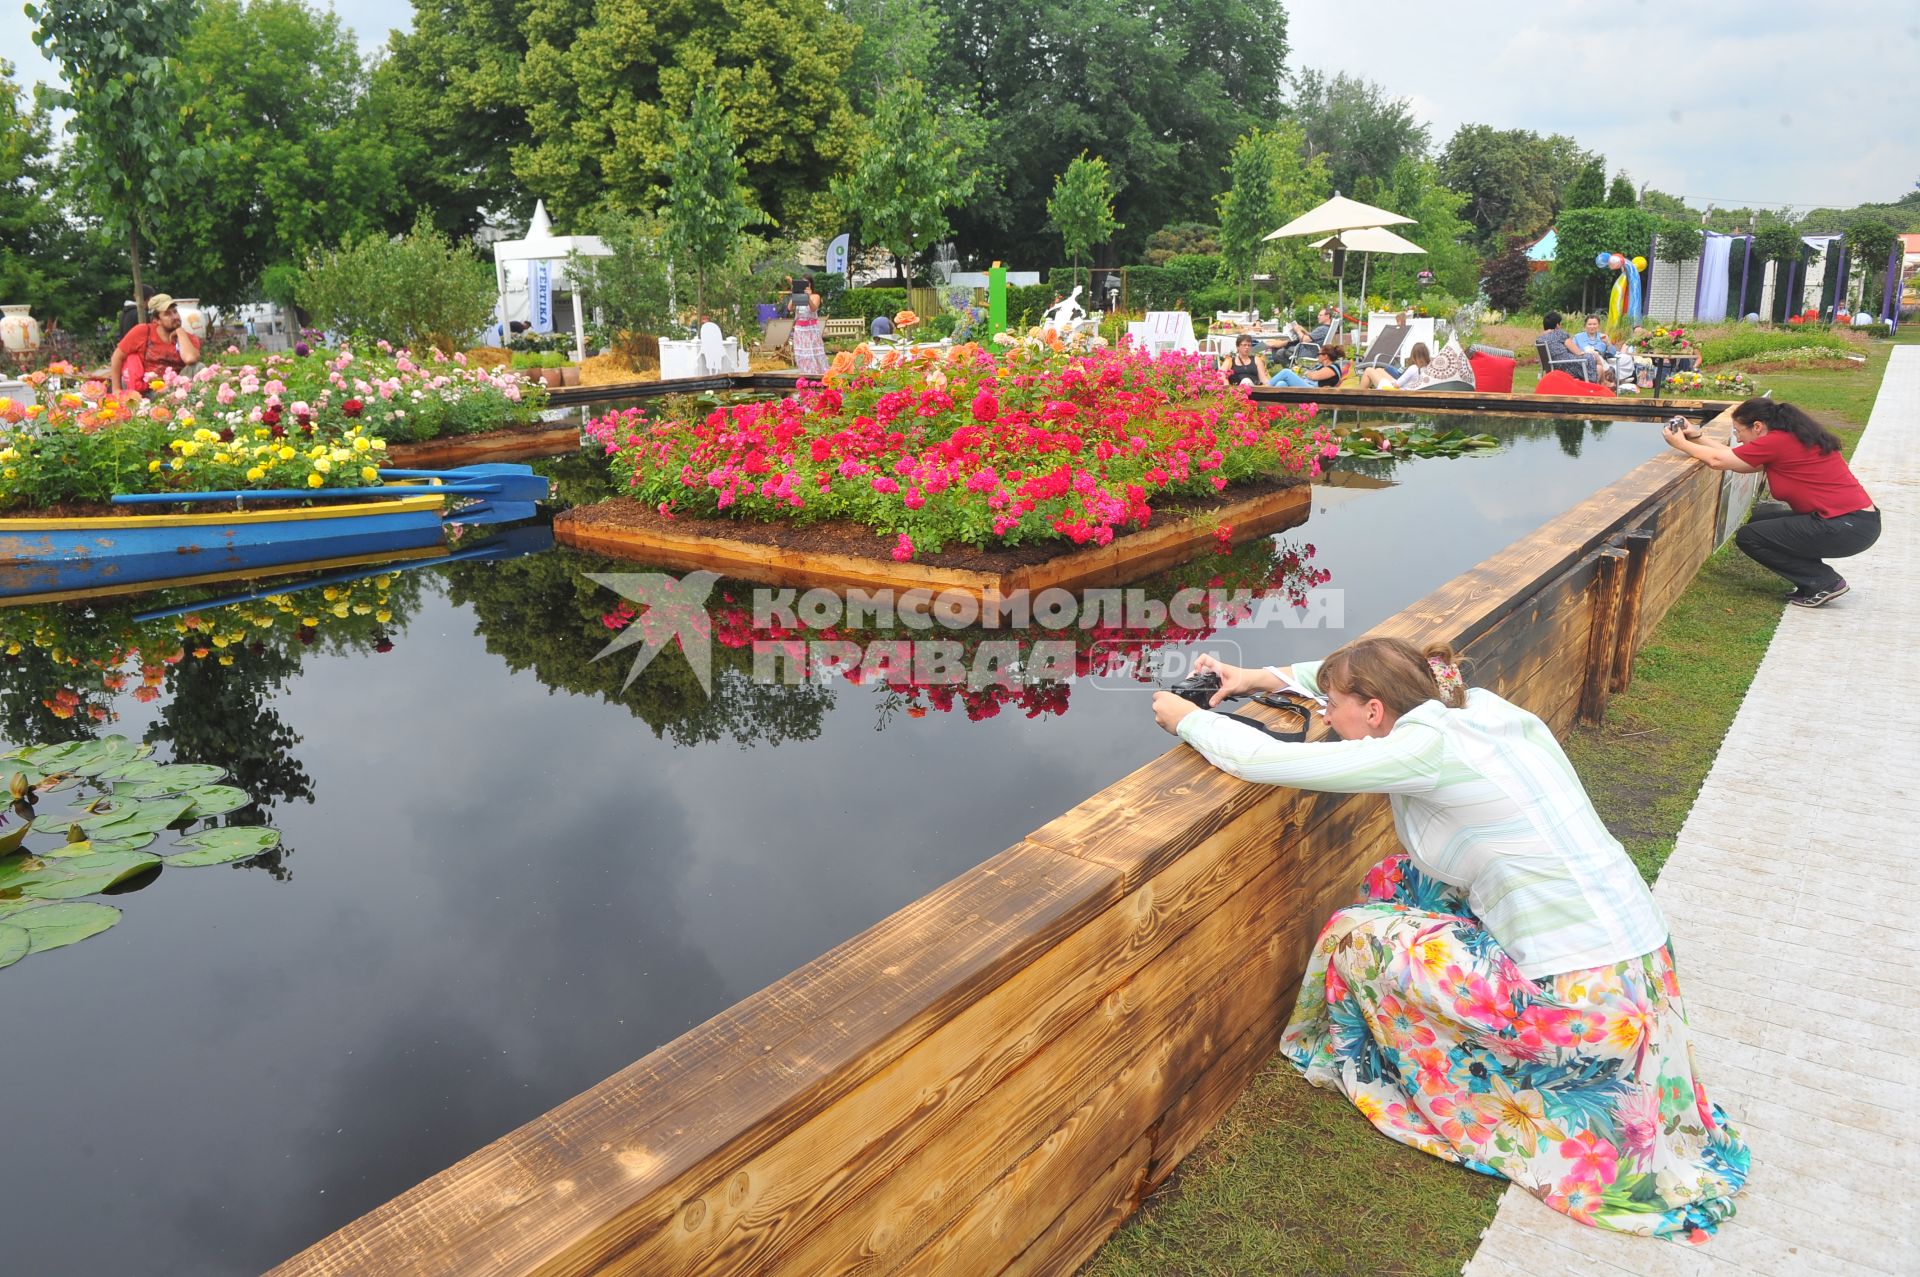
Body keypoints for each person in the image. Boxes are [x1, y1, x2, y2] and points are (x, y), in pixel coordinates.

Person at [1150, 638, 1750, 1241]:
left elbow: (1274, 763)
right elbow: (1363, 676)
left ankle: (1401, 1060)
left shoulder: (1422, 749)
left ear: (1376, 711)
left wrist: (1191, 719)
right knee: (1400, 879)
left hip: (1576, 997)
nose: (1326, 716)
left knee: (1355, 936)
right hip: (1638, 963)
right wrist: (1257, 676)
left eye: (1332, 706)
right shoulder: (1477, 708)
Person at [1663, 398, 1878, 607]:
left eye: (1739, 431)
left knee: (1751, 537)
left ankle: (1825, 581)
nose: (1738, 438)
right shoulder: (1788, 438)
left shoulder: (1777, 441)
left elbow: (1717, 460)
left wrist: (1680, 444)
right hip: (1854, 523)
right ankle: (1812, 582)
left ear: (1757, 426)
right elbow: (1735, 459)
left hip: (1847, 526)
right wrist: (1697, 437)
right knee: (1760, 521)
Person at [108, 293, 199, 393]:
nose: (174, 317)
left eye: (175, 312)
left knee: (198, 367)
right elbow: (117, 356)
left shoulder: (188, 337)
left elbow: (190, 359)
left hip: (178, 389)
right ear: (156, 320)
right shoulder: (142, 331)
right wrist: (116, 389)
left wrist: (180, 332)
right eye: (167, 314)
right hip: (150, 389)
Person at [1538, 311, 1595, 382]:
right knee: (1589, 357)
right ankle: (1592, 384)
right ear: (1557, 325)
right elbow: (1578, 352)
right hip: (1566, 367)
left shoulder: (1540, 339)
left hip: (1553, 366)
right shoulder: (1560, 333)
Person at [1270, 343, 1352, 389]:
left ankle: (1264, 388)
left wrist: (1305, 372)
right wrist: (1307, 373)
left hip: (1313, 391)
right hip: (1308, 386)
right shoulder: (1322, 366)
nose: (1317, 356)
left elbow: (1314, 376)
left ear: (1325, 356)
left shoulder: (1333, 368)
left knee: (1286, 372)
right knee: (1281, 384)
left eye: (1318, 354)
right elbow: (1311, 374)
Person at [1358, 341, 1431, 390]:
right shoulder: (1427, 369)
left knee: (1368, 370)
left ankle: (1360, 395)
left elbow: (1396, 386)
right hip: (1403, 388)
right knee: (1379, 370)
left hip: (1396, 391)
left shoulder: (1413, 368)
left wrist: (1393, 383)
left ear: (1413, 355)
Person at [1571, 315, 1619, 387]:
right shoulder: (1577, 337)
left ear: (1598, 325)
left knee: (1597, 355)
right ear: (1585, 326)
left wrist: (1608, 343)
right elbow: (1572, 351)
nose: (1592, 327)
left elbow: (1613, 353)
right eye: (1589, 324)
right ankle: (1606, 382)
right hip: (1584, 362)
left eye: (1594, 324)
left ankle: (1603, 384)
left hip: (1600, 361)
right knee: (1593, 355)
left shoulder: (1603, 336)